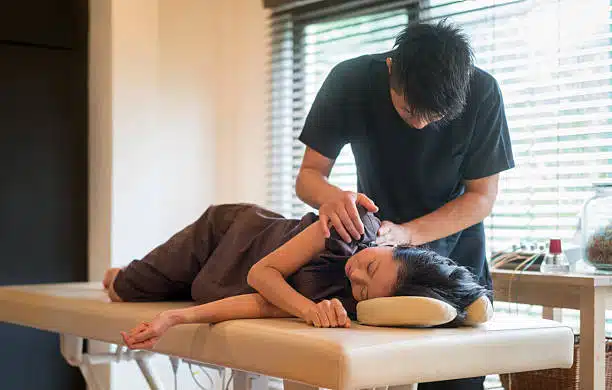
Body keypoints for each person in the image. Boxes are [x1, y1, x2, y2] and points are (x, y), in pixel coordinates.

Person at [294, 21, 514, 390]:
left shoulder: (483, 91)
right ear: (392, 68)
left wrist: (409, 232)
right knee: (379, 377)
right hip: (380, 269)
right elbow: (309, 176)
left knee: (456, 381)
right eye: (412, 111)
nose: (422, 124)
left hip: (454, 257)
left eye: (435, 117)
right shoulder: (351, 81)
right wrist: (333, 198)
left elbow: (481, 197)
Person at [104, 203, 489, 350]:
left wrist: (175, 317)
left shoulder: (354, 303)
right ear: (393, 246)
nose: (355, 275)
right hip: (226, 236)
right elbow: (262, 275)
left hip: (214, 283)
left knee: (175, 295)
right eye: (370, 266)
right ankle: (119, 271)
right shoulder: (350, 228)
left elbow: (262, 304)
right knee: (123, 289)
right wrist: (308, 309)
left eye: (363, 289)